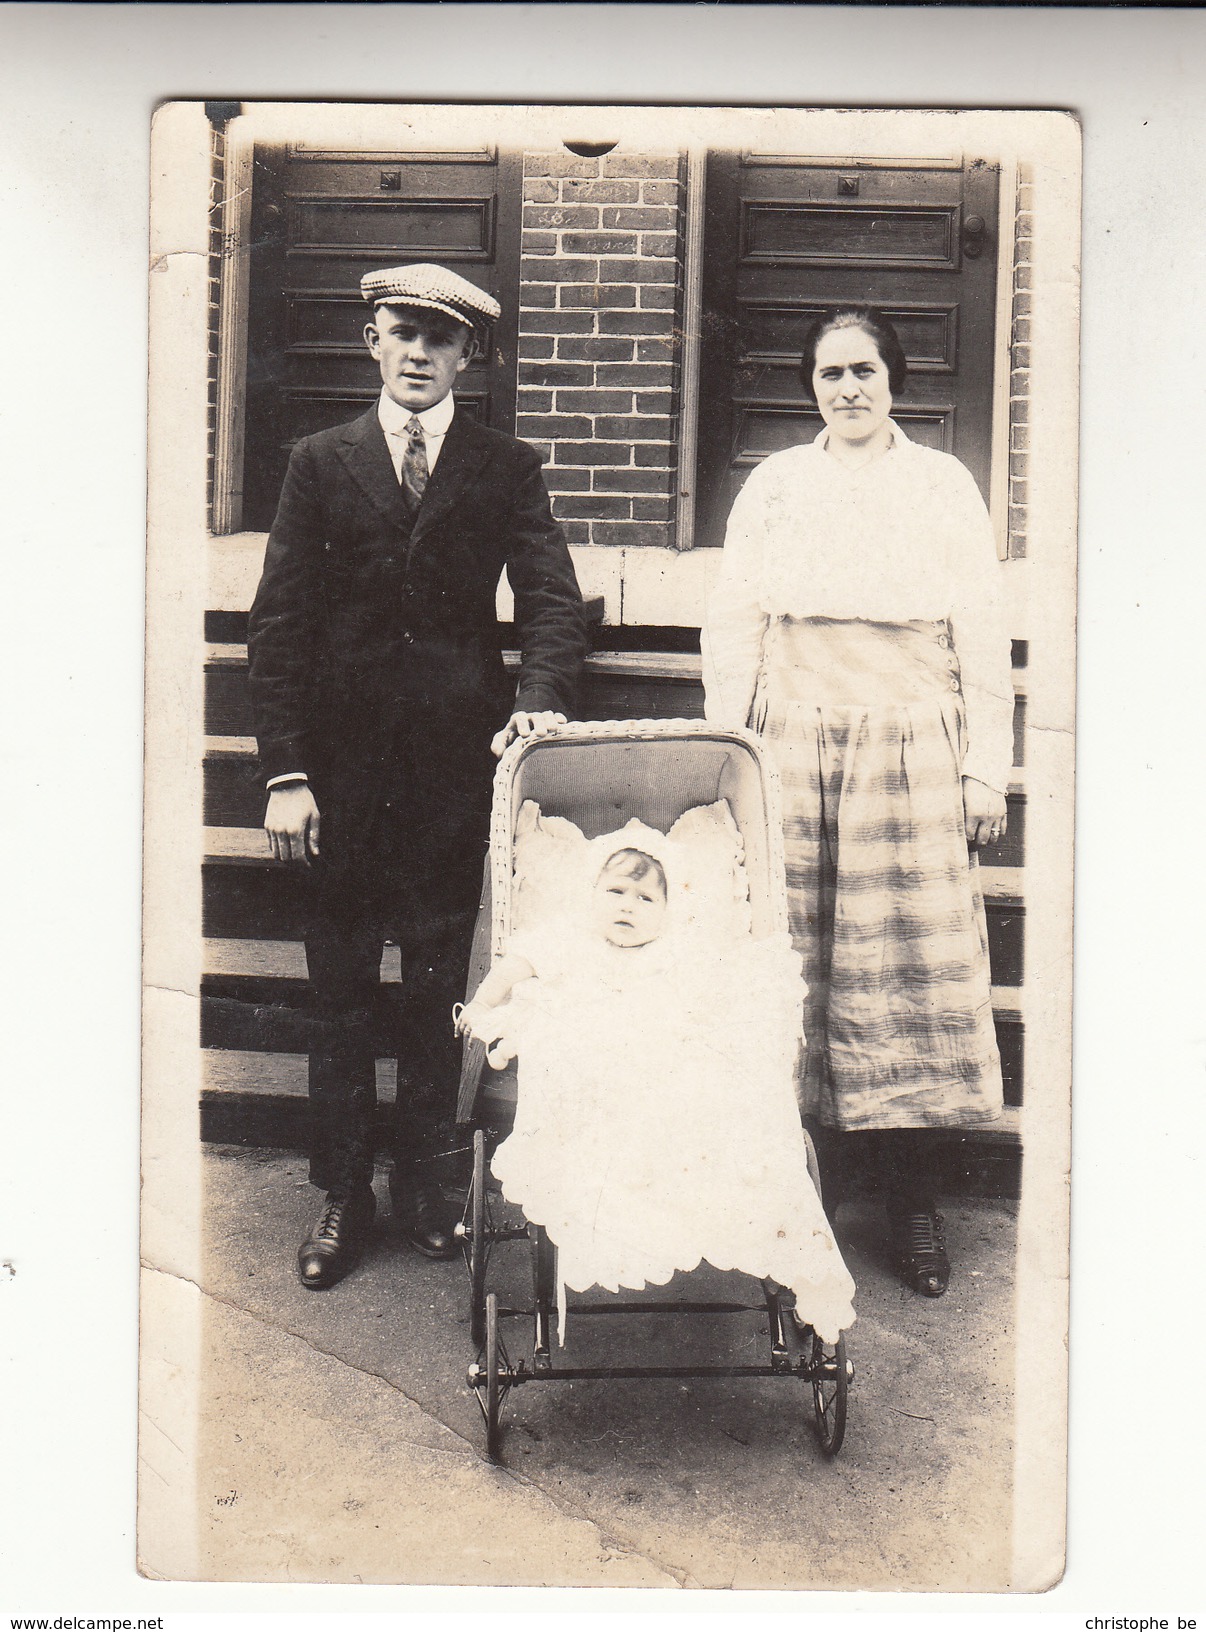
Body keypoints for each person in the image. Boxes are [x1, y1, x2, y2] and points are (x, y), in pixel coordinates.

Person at [247, 262, 587, 1289]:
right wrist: (286, 771)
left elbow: (551, 596)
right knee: (343, 990)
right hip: (339, 780)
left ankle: (437, 1184)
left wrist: (541, 692)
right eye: (401, 333)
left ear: (467, 359)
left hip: (450, 774)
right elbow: (279, 622)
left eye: (439, 341)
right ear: (371, 341)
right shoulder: (319, 461)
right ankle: (344, 1195)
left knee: (442, 987)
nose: (417, 355)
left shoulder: (503, 465)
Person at [701, 306, 1013, 1298]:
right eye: (831, 374)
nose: (849, 389)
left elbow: (980, 630)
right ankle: (817, 1199)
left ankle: (912, 1203)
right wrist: (731, 754)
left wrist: (983, 770)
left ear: (895, 381)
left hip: (909, 746)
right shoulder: (778, 487)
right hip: (794, 740)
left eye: (865, 371)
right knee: (808, 967)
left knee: (902, 964)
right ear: (811, 388)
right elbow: (737, 621)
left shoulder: (941, 486)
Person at [455, 825, 857, 1343]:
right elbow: (518, 965)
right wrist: (486, 1004)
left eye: (646, 898)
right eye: (616, 892)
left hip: (660, 1067)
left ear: (667, 911)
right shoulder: (568, 939)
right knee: (567, 1055)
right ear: (591, 895)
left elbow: (720, 989)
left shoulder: (675, 949)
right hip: (592, 1068)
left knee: (713, 1084)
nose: (629, 907)